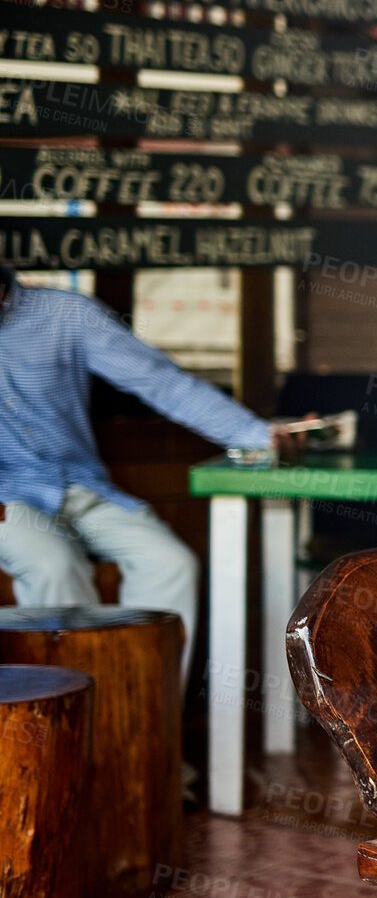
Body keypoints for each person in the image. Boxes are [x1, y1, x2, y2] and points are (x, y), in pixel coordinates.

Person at [0, 264, 298, 689]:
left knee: (171, 563)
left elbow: (161, 382)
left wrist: (258, 436)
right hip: (6, 498)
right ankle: (80, 729)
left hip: (81, 486)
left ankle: (146, 719)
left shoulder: (64, 314)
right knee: (52, 564)